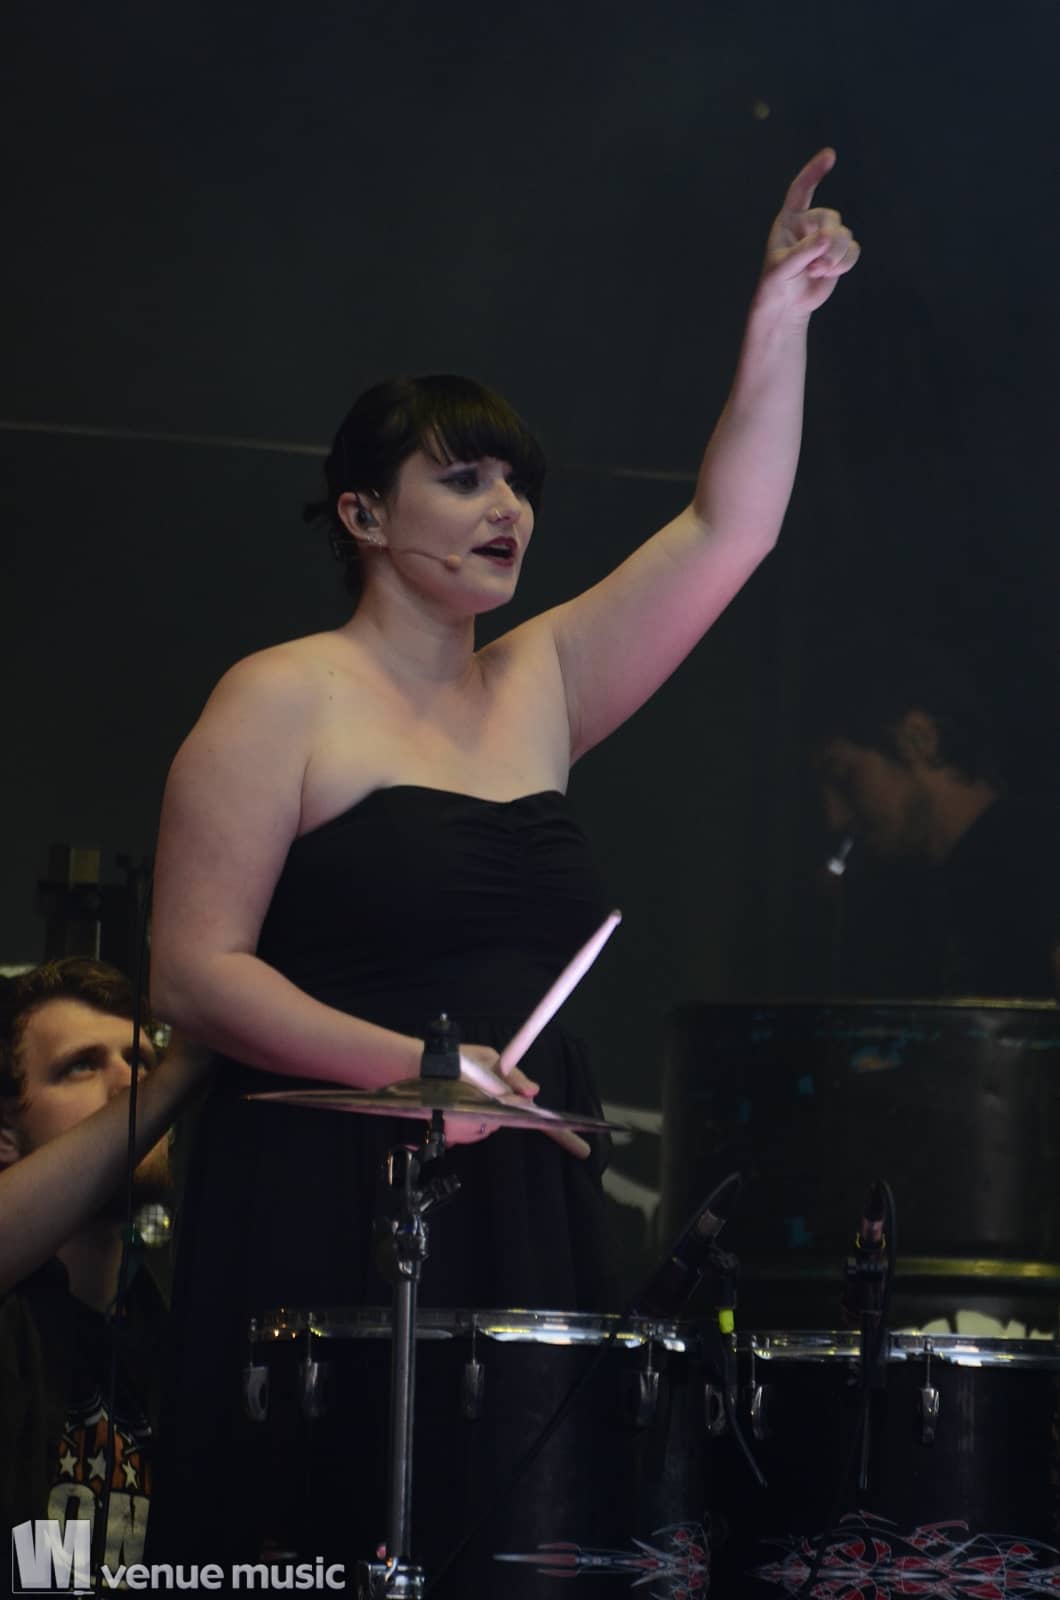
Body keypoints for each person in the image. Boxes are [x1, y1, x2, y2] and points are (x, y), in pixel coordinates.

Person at [147, 149, 859, 1563]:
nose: (506, 508)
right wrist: (415, 1074)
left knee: (515, 1537)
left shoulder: (540, 677)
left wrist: (778, 315)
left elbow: (731, 527)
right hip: (328, 1189)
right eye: (462, 477)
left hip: (517, 1174)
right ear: (363, 515)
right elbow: (192, 971)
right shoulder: (280, 694)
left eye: (517, 482)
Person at [0, 958, 208, 1564]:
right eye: (83, 1065)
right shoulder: (12, 1322)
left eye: (141, 1061)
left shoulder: (167, 1330)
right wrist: (179, 1072)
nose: (129, 1084)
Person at [812, 638, 1060, 997]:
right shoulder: (917, 895)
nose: (834, 817)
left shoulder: (1041, 857)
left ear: (919, 738)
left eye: (845, 776)